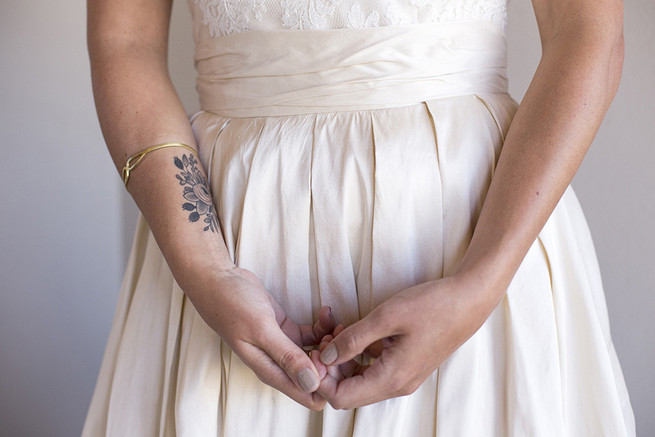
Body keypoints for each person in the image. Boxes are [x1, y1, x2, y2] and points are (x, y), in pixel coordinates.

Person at [83, 0, 635, 435]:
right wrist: (206, 271)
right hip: (224, 237)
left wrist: (480, 283)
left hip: (476, 233)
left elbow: (587, 30)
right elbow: (124, 40)